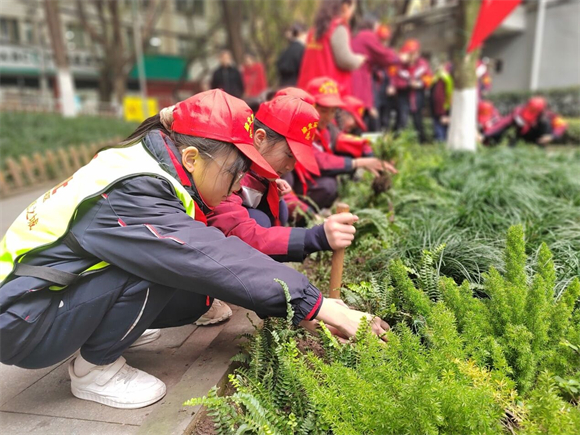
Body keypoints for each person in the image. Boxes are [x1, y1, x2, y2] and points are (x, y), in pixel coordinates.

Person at [0, 89, 390, 409]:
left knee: (193, 294)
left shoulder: (151, 165)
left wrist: (299, 308)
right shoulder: (135, 192)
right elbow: (209, 254)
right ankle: (94, 370)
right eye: (235, 171)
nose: (238, 186)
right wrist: (319, 304)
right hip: (23, 321)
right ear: (190, 157)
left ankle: (107, 331)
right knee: (171, 260)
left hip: (41, 300)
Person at [208, 94, 359, 266]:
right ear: (260, 138)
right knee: (260, 219)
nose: (291, 166)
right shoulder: (227, 167)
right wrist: (314, 236)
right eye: (288, 155)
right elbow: (238, 230)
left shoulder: (260, 171)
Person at [287, 77, 396, 211]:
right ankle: (305, 219)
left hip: (307, 184)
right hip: (292, 189)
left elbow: (349, 142)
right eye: (323, 111)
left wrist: (376, 158)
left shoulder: (327, 130)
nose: (328, 117)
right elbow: (318, 161)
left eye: (333, 111)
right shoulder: (301, 128)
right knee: (329, 185)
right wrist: (358, 163)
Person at [297, 0, 365, 95]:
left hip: (309, 89)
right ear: (345, 7)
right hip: (328, 92)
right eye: (353, 7)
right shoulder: (338, 27)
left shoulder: (315, 29)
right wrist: (358, 59)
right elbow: (344, 60)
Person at [350, 14, 399, 132]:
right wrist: (397, 57)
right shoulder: (367, 36)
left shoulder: (356, 36)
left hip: (358, 82)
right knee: (362, 122)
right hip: (361, 83)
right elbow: (385, 56)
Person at [482, 96, 568, 147]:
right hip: (522, 136)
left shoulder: (548, 115)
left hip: (538, 137)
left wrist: (552, 136)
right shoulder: (518, 112)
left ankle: (539, 150)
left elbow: (561, 125)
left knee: (545, 122)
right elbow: (502, 123)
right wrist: (484, 135)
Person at [393, 39, 432, 143]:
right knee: (402, 119)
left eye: (414, 53)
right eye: (409, 53)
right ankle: (398, 141)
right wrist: (407, 84)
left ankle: (422, 141)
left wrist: (420, 84)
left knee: (418, 120)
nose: (412, 56)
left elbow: (429, 78)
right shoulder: (399, 65)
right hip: (403, 95)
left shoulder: (422, 64)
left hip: (418, 95)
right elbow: (395, 81)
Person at [277, 22, 308, 87]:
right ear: (301, 33)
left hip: (283, 87)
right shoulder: (303, 50)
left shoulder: (285, 50)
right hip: (297, 88)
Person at [430, 62, 454, 142]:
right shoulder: (444, 79)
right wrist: (442, 113)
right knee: (441, 130)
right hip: (442, 109)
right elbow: (439, 97)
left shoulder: (438, 77)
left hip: (441, 108)